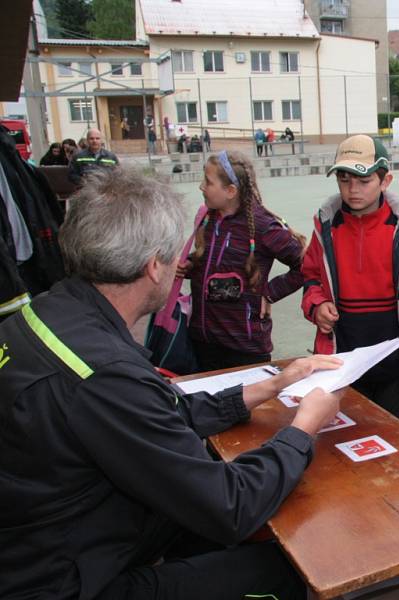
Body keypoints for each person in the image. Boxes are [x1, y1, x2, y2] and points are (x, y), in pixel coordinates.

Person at [0, 166, 344, 600]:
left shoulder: (48, 314)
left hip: (39, 541)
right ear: (153, 266)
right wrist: (303, 428)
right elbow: (230, 505)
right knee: (292, 569)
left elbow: (152, 411)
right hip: (61, 582)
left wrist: (266, 389)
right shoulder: (105, 372)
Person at [301, 135, 399, 424]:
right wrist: (317, 305)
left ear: (386, 180)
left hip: (394, 366)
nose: (352, 190)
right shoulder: (326, 228)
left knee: (391, 446)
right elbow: (311, 277)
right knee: (339, 444)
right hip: (340, 363)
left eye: (363, 181)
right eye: (344, 180)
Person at [178, 150, 305, 371]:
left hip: (243, 347)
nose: (201, 187)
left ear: (230, 191)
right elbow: (211, 259)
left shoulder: (264, 226)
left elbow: (305, 265)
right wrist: (191, 265)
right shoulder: (208, 218)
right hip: (202, 339)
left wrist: (269, 293)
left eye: (208, 182)